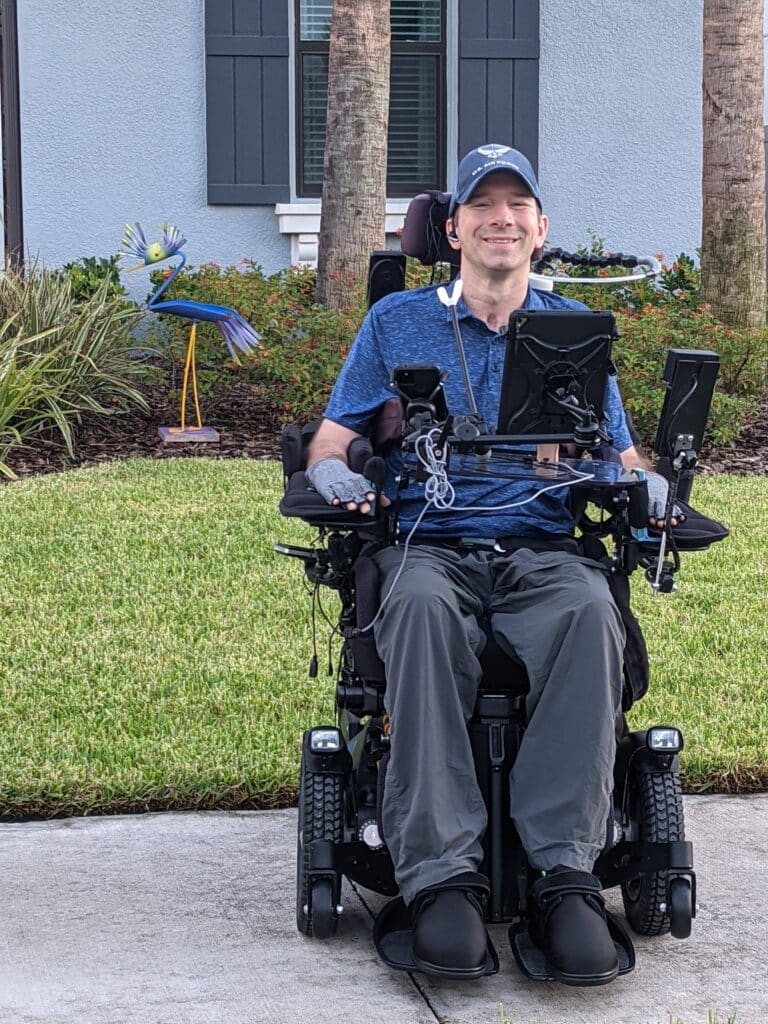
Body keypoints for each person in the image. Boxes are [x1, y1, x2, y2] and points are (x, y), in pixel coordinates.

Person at [305, 144, 679, 986]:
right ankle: (440, 875)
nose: (500, 218)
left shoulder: (573, 330)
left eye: (518, 206)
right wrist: (335, 473)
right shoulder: (396, 322)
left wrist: (653, 487)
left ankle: (563, 873)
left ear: (540, 228)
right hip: (428, 545)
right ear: (454, 226)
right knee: (423, 612)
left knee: (590, 614)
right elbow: (332, 439)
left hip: (543, 547)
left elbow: (619, 455)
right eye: (483, 205)